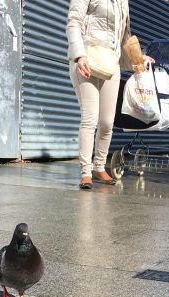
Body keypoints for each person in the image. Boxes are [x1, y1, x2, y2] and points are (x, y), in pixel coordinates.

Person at [66, 0, 148, 190]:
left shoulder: (123, 2)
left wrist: (138, 58)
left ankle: (99, 167)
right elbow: (74, 22)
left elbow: (124, 36)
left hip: (110, 63)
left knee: (107, 122)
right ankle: (86, 172)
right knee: (90, 118)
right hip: (86, 59)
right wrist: (79, 55)